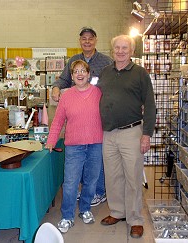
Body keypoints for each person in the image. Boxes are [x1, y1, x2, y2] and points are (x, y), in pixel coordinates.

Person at [97, 35, 156, 239]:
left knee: (132, 177)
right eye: (117, 48)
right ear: (112, 50)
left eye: (125, 48)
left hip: (132, 132)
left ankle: (135, 219)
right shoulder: (105, 72)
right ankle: (117, 212)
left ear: (131, 51)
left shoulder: (140, 73)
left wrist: (146, 134)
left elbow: (150, 105)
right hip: (108, 133)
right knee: (112, 176)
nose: (120, 51)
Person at [51, 26, 112, 207]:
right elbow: (62, 80)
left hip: (97, 115)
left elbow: (112, 83)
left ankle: (99, 192)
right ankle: (86, 193)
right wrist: (55, 88)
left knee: (96, 160)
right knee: (79, 162)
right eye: (84, 38)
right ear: (80, 41)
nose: (87, 41)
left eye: (90, 38)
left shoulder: (106, 61)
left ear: (95, 40)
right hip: (78, 118)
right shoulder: (74, 60)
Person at [45, 60, 103, 233]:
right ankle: (67, 216)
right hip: (74, 147)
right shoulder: (67, 96)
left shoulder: (98, 93)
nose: (79, 74)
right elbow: (57, 121)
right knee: (70, 183)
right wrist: (51, 140)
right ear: (71, 76)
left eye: (83, 71)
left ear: (88, 74)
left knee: (91, 182)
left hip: (95, 145)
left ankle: (85, 209)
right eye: (76, 71)